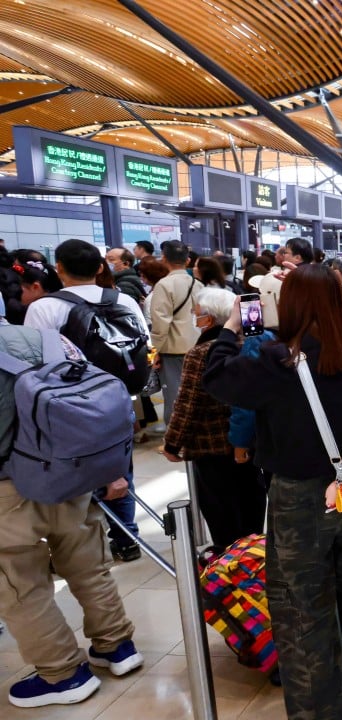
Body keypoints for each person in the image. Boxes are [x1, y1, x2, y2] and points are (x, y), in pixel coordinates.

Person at [203, 263, 342, 717]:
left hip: (299, 496)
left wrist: (232, 327)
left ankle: (319, 709)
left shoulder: (278, 360)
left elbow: (218, 379)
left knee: (301, 608)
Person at [0, 324, 143, 709]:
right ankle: (117, 646)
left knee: (20, 584)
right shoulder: (45, 336)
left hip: (8, 489)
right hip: (69, 470)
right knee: (88, 565)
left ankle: (62, 675)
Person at [24, 240, 151, 563]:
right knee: (120, 467)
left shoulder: (45, 307)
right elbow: (143, 342)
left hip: (69, 403)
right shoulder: (123, 300)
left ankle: (77, 549)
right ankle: (126, 539)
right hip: (119, 396)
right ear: (99, 268)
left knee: (71, 470)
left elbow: (35, 360)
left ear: (59, 269)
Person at [160, 287, 266, 550]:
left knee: (223, 520)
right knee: (251, 511)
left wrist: (172, 444)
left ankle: (229, 573)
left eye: (196, 315)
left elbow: (187, 404)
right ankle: (253, 564)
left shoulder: (201, 352)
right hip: (253, 446)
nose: (195, 320)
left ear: (208, 320)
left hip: (212, 450)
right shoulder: (255, 345)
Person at [149, 240, 203, 429]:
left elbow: (160, 323)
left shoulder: (164, 285)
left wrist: (154, 350)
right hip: (198, 346)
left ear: (164, 259)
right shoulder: (197, 284)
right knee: (196, 393)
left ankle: (176, 437)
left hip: (173, 349)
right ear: (187, 261)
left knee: (175, 396)